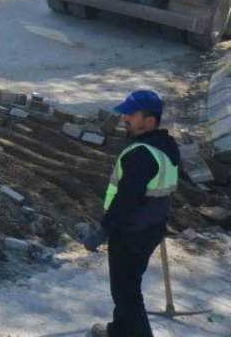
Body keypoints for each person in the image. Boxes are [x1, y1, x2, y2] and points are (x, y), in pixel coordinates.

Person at [82, 89, 181, 337]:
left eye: (131, 114)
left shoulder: (142, 155)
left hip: (132, 232)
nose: (125, 118)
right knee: (127, 286)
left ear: (150, 119)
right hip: (152, 226)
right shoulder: (166, 145)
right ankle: (119, 330)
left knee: (126, 293)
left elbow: (127, 199)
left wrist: (104, 230)